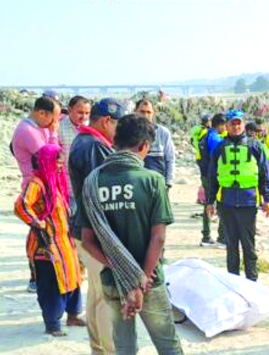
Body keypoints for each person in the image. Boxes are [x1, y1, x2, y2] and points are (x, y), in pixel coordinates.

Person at [78, 114, 183, 354]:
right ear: (144, 146)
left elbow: (87, 241)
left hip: (113, 281)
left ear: (115, 140)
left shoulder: (93, 181)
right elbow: (159, 238)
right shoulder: (153, 181)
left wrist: (120, 270)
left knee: (124, 346)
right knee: (167, 343)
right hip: (149, 281)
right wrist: (140, 279)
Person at [68, 97, 124, 355]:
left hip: (83, 228)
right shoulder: (95, 147)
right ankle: (109, 350)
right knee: (107, 298)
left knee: (96, 293)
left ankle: (97, 349)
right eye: (118, 125)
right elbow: (103, 195)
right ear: (106, 121)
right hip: (95, 231)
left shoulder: (84, 140)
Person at [14, 144, 84, 337]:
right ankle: (52, 324)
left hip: (65, 244)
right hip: (46, 246)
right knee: (51, 284)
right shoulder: (37, 183)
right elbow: (21, 205)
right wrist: (37, 222)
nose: (60, 167)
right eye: (57, 163)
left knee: (73, 279)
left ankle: (73, 315)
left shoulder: (55, 183)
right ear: (46, 163)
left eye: (61, 164)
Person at [207, 109, 269, 281]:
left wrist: (267, 199)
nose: (236, 126)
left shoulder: (254, 146)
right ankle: (233, 282)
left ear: (243, 125)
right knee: (231, 246)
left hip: (248, 203)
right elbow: (212, 176)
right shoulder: (220, 148)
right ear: (227, 125)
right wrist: (209, 201)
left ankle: (252, 282)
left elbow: (265, 174)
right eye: (232, 123)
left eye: (238, 123)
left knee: (249, 246)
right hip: (226, 203)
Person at [11, 95, 61, 293]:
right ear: (41, 113)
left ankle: (41, 275)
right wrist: (54, 133)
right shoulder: (27, 130)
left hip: (41, 184)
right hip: (34, 186)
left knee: (43, 232)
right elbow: (50, 155)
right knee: (38, 233)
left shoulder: (35, 128)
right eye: (52, 118)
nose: (53, 123)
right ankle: (35, 278)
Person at [196, 113, 228, 247]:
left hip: (205, 174)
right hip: (212, 176)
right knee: (220, 203)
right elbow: (219, 158)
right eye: (225, 125)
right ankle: (219, 237)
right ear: (220, 125)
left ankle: (207, 235)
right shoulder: (215, 139)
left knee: (208, 204)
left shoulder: (206, 134)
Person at [135, 99, 176, 188]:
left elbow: (170, 158)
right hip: (136, 184)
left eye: (149, 112)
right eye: (142, 112)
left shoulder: (162, 133)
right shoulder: (128, 132)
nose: (145, 115)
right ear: (135, 112)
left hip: (158, 184)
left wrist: (169, 181)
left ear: (153, 113)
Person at [58, 96, 91, 163]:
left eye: (87, 113)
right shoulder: (58, 128)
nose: (84, 117)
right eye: (80, 113)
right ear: (70, 110)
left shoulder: (92, 128)